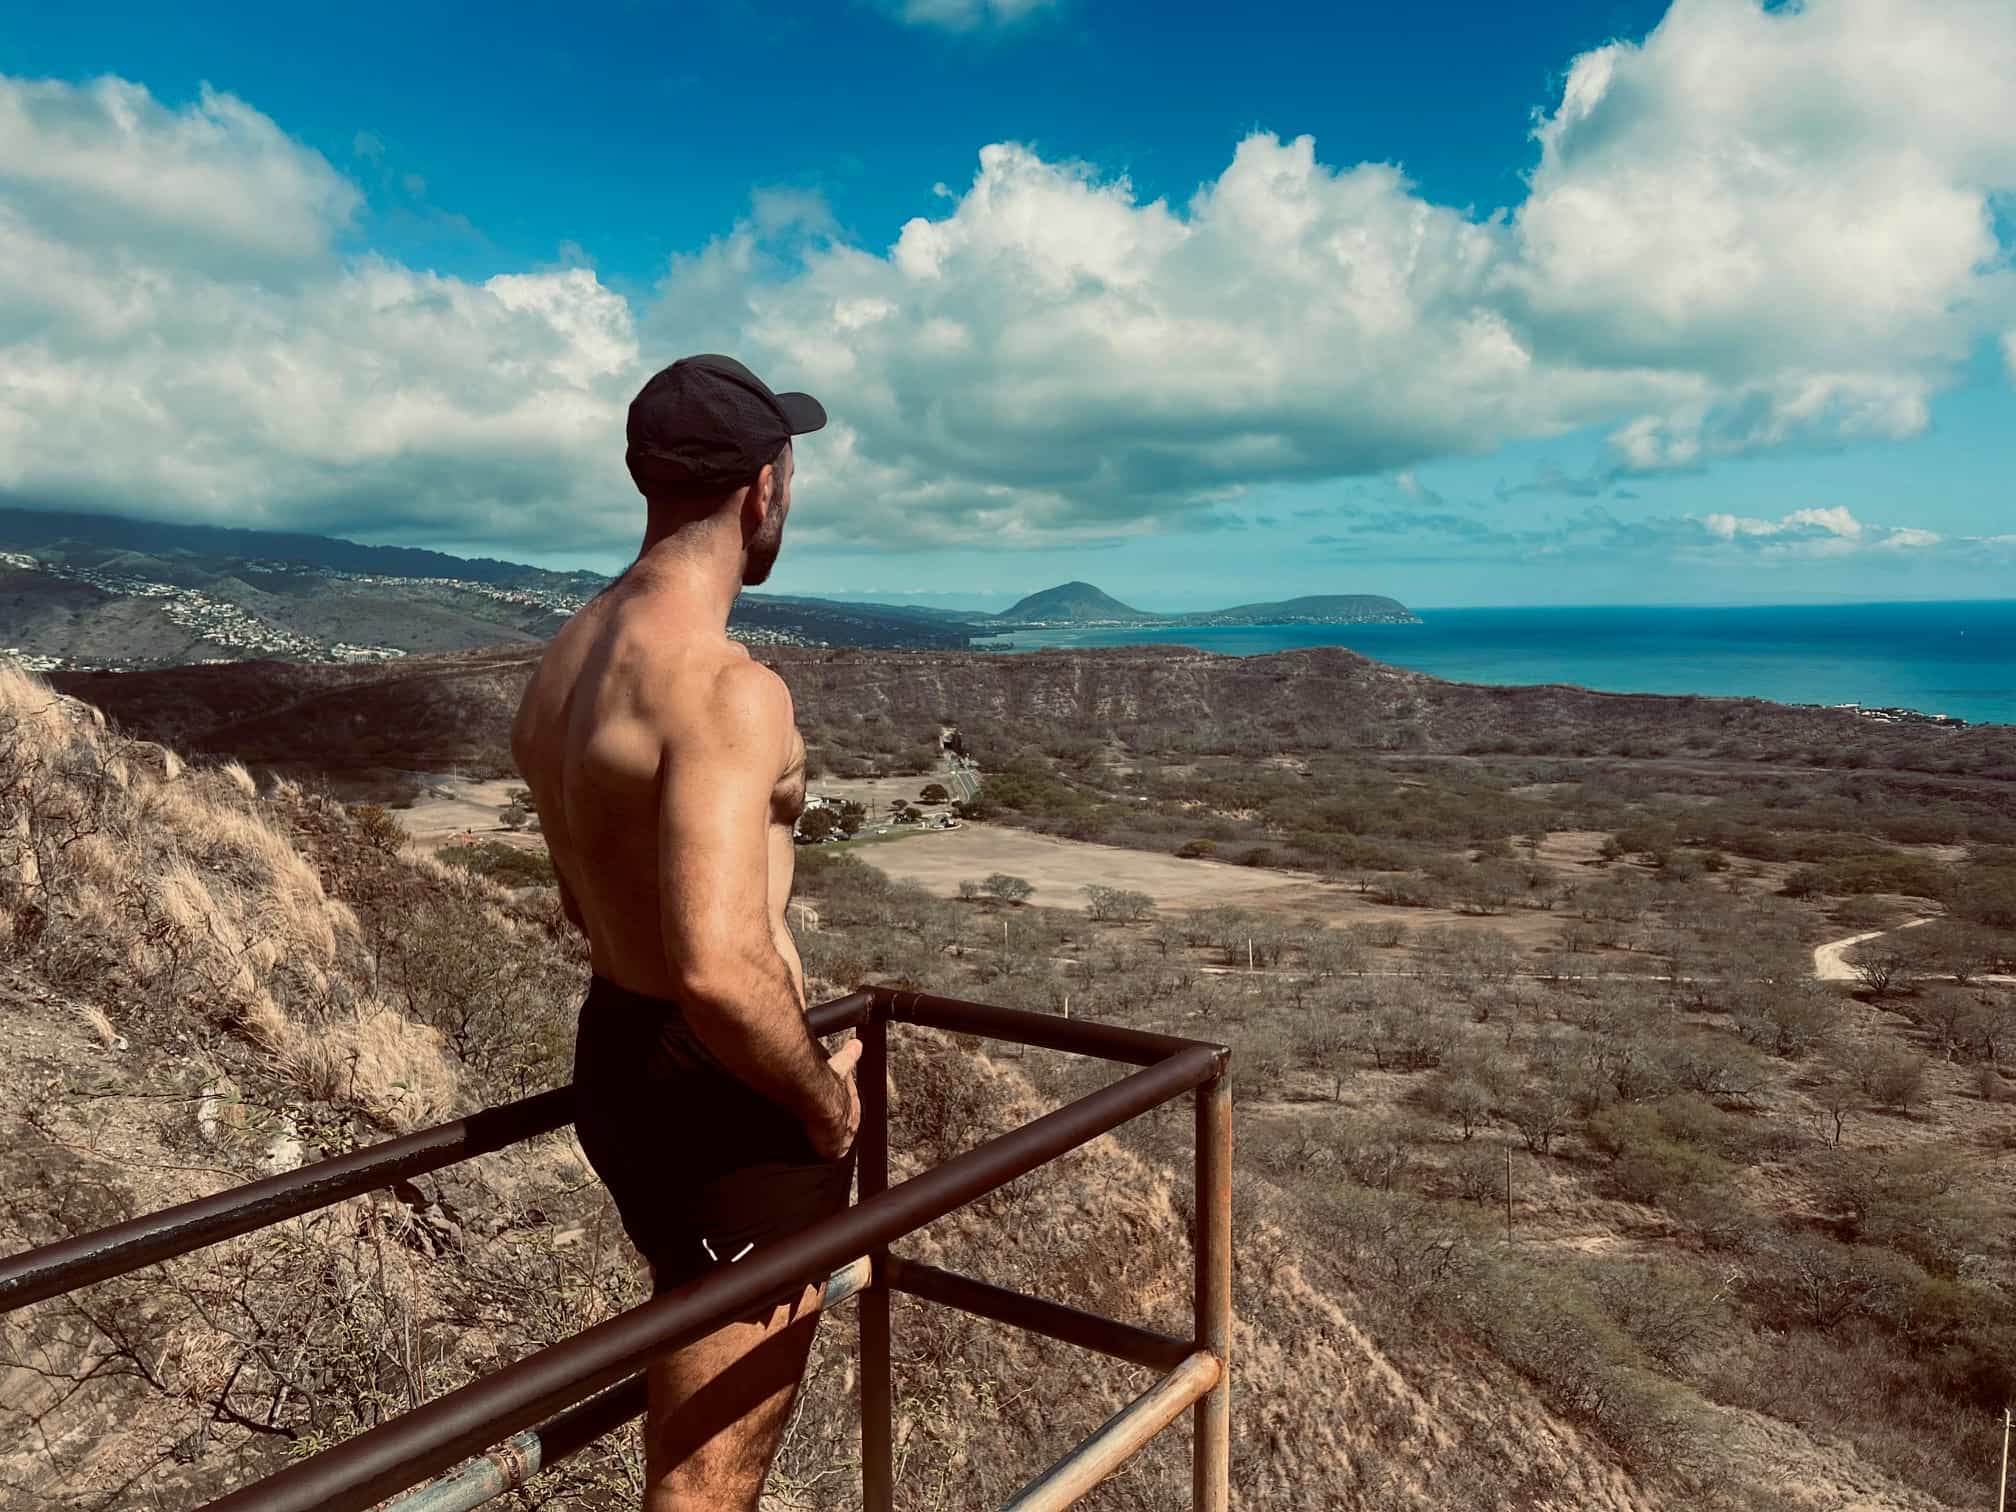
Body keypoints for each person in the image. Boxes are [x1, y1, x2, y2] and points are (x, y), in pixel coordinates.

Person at [510, 355, 859, 1511]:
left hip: (616, 1055)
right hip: (727, 1108)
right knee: (709, 1482)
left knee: (685, 1374)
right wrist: (823, 1103)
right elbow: (717, 966)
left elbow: (586, 900)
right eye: (789, 476)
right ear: (764, 489)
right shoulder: (725, 689)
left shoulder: (566, 662)